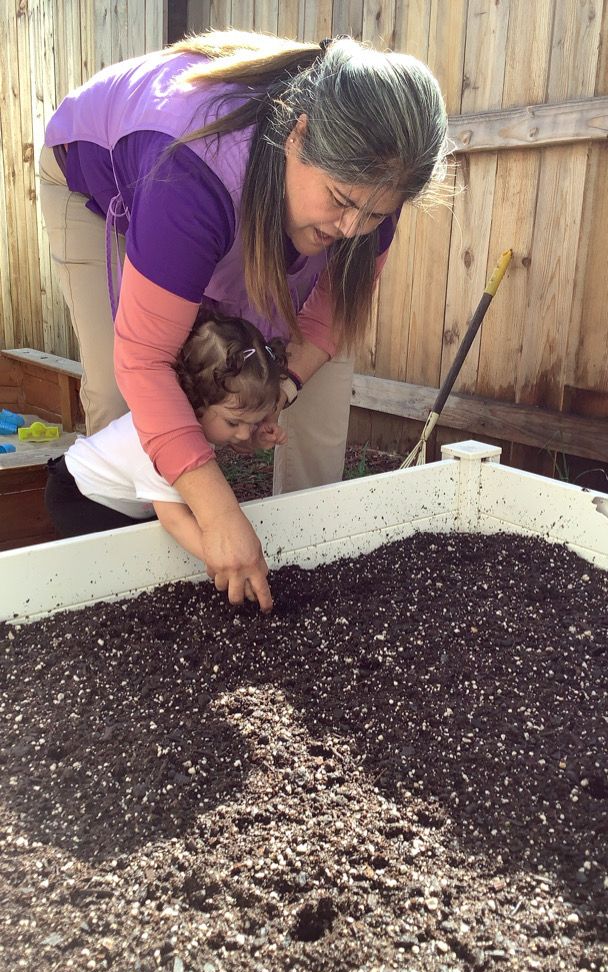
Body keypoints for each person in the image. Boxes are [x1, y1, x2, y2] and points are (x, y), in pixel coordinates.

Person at [39, 29, 448, 610]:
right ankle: (132, 573)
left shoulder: (370, 201)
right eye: (340, 200)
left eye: (375, 213)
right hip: (92, 178)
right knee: (124, 398)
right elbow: (144, 359)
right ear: (298, 135)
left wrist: (280, 389)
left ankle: (308, 552)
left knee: (315, 392)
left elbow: (327, 324)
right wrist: (219, 513)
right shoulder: (191, 175)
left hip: (227, 195)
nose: (354, 229)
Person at [45, 310, 287, 604]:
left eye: (255, 421)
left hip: (120, 494)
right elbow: (173, 519)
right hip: (79, 496)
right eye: (234, 424)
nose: (243, 434)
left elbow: (230, 434)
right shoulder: (157, 444)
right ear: (197, 402)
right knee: (121, 573)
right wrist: (223, 560)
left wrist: (256, 435)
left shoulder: (201, 419)